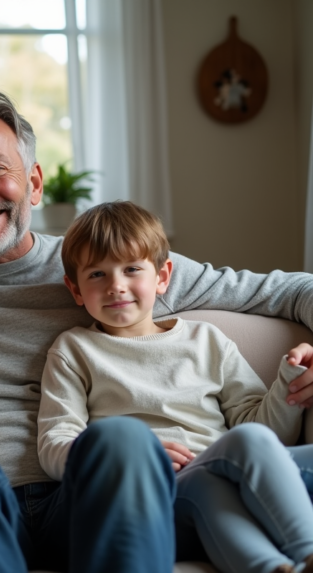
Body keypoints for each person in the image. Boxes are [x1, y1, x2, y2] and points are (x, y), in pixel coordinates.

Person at [0, 88, 313, 573]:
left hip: (89, 495)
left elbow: (288, 290)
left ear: (33, 183)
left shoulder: (101, 263)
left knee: (122, 440)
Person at [39, 200, 313, 573]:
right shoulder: (75, 349)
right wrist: (130, 455)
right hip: (151, 498)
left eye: (132, 269)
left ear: (163, 276)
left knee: (235, 460)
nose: (116, 286)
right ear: (75, 289)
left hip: (220, 478)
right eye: (97, 275)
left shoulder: (206, 340)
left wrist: (289, 382)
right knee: (232, 457)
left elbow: (265, 430)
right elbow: (55, 443)